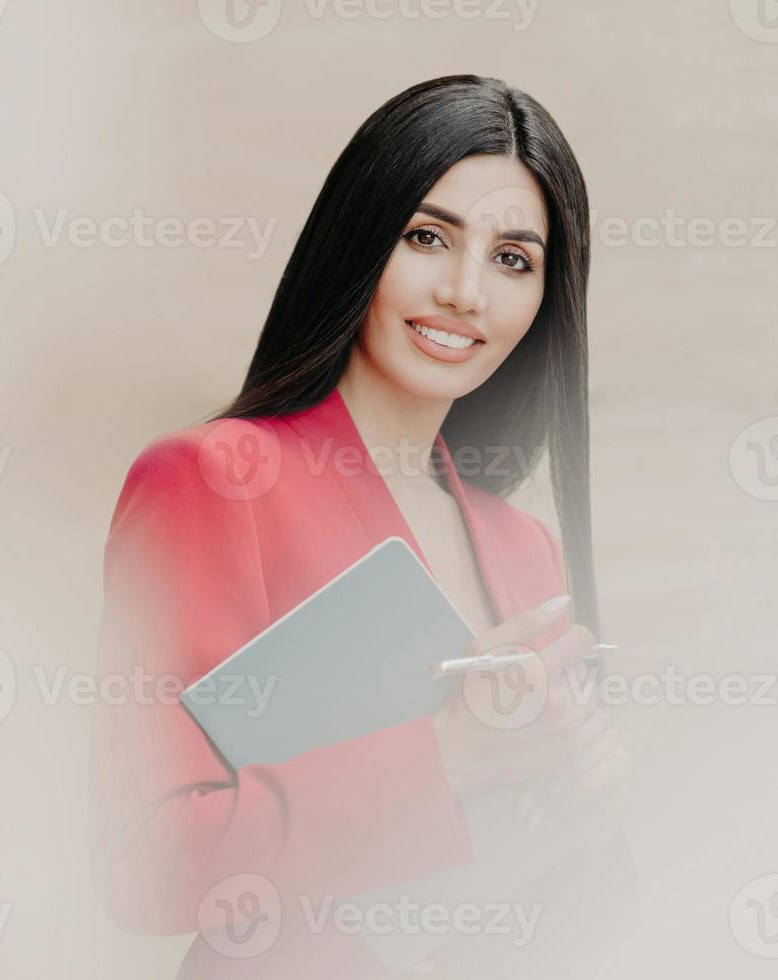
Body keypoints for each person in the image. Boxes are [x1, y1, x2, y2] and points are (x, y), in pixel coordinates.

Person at [88, 75, 640, 978]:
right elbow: (142, 864)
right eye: (428, 237)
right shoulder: (214, 481)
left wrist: (583, 802)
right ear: (357, 242)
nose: (466, 292)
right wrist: (447, 759)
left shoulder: (522, 545)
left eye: (514, 259)